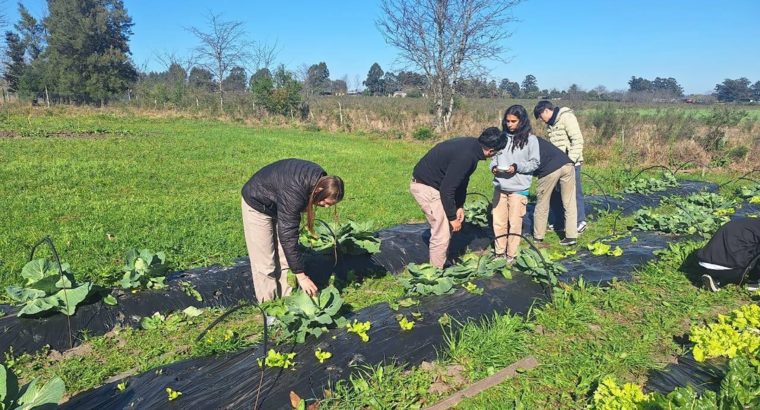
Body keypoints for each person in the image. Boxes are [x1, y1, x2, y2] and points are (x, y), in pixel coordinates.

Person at [241, 159, 344, 303]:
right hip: (257, 202)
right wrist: (302, 277)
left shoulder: (319, 180)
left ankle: (288, 300)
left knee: (284, 258)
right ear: (320, 190)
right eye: (325, 203)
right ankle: (269, 308)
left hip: (279, 202)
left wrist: (297, 270)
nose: (325, 207)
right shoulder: (295, 191)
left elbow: (289, 232)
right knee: (265, 262)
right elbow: (288, 235)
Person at [410, 128, 506, 268]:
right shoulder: (466, 156)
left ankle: (442, 260)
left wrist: (459, 206)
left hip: (437, 186)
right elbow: (447, 189)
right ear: (491, 151)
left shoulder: (472, 147)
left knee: (445, 228)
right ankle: (435, 275)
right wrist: (452, 218)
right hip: (426, 187)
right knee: (441, 233)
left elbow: (461, 181)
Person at [490, 106, 540, 262]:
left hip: (518, 189)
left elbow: (535, 163)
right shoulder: (501, 137)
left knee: (515, 223)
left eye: (514, 121)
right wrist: (493, 168)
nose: (510, 124)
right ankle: (499, 253)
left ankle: (511, 255)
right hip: (500, 186)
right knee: (498, 222)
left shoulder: (531, 140)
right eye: (507, 121)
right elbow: (493, 158)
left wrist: (517, 167)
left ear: (522, 121)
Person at [534, 100, 587, 234]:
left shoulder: (566, 118)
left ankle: (580, 222)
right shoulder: (551, 124)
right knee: (556, 194)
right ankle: (560, 222)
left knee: (573, 194)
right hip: (556, 165)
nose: (541, 119)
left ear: (546, 110)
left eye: (540, 116)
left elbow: (578, 140)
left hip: (570, 164)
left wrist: (571, 160)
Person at [532, 136, 578, 245]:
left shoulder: (523, 144)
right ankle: (571, 237)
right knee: (570, 201)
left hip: (550, 169)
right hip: (567, 163)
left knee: (542, 202)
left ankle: (538, 237)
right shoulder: (537, 139)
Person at [697, 218, 760, 292]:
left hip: (703, 263)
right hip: (730, 270)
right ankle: (753, 283)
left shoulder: (747, 222)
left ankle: (715, 278)